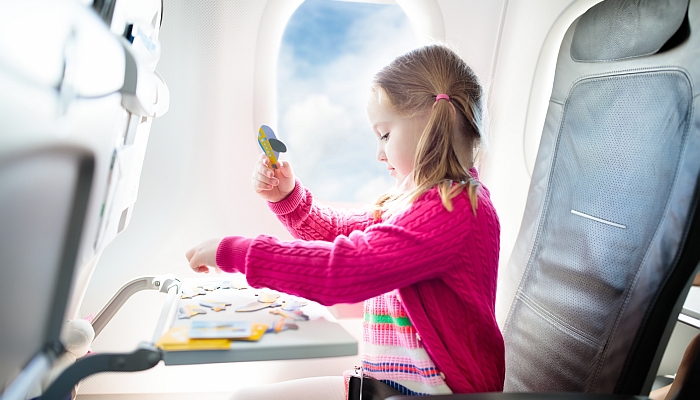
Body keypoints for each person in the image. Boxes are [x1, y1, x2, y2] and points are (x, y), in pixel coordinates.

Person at [186, 44, 504, 399]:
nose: (379, 153)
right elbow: (341, 232)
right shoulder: (412, 204)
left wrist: (236, 253)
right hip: (386, 387)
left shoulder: (454, 211)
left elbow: (343, 270)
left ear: (431, 122)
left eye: (385, 134)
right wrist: (290, 200)